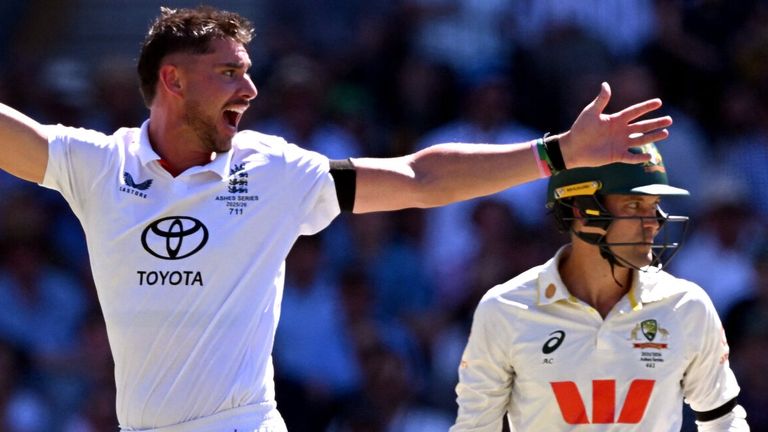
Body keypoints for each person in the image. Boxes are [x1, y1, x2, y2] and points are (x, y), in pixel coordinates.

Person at [0, 5, 674, 432]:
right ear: (174, 81)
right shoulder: (98, 164)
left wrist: (557, 153)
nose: (251, 89)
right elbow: (14, 137)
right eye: (230, 73)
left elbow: (419, 177)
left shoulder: (273, 172)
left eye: (249, 72)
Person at [451, 143, 749, 431]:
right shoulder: (504, 309)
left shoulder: (687, 306)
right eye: (634, 205)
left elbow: (723, 420)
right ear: (581, 209)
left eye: (654, 205)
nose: (654, 223)